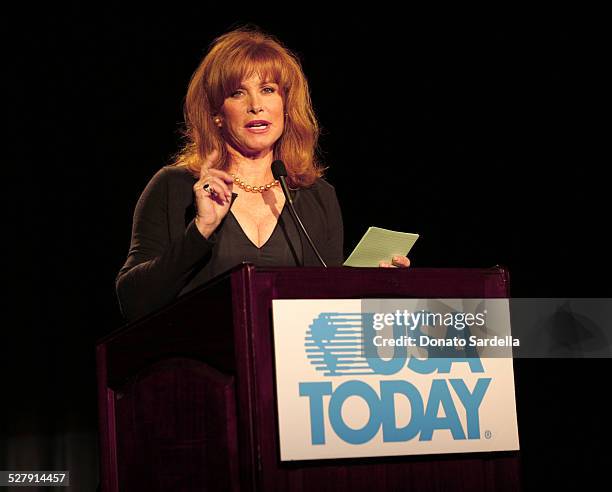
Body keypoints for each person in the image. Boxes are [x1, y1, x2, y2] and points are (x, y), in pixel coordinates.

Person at [116, 27, 409, 322]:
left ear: (285, 106)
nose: (255, 105)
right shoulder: (174, 187)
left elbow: (326, 306)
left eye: (268, 90)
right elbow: (133, 300)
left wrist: (372, 285)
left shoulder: (317, 195)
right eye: (237, 93)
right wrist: (201, 230)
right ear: (216, 113)